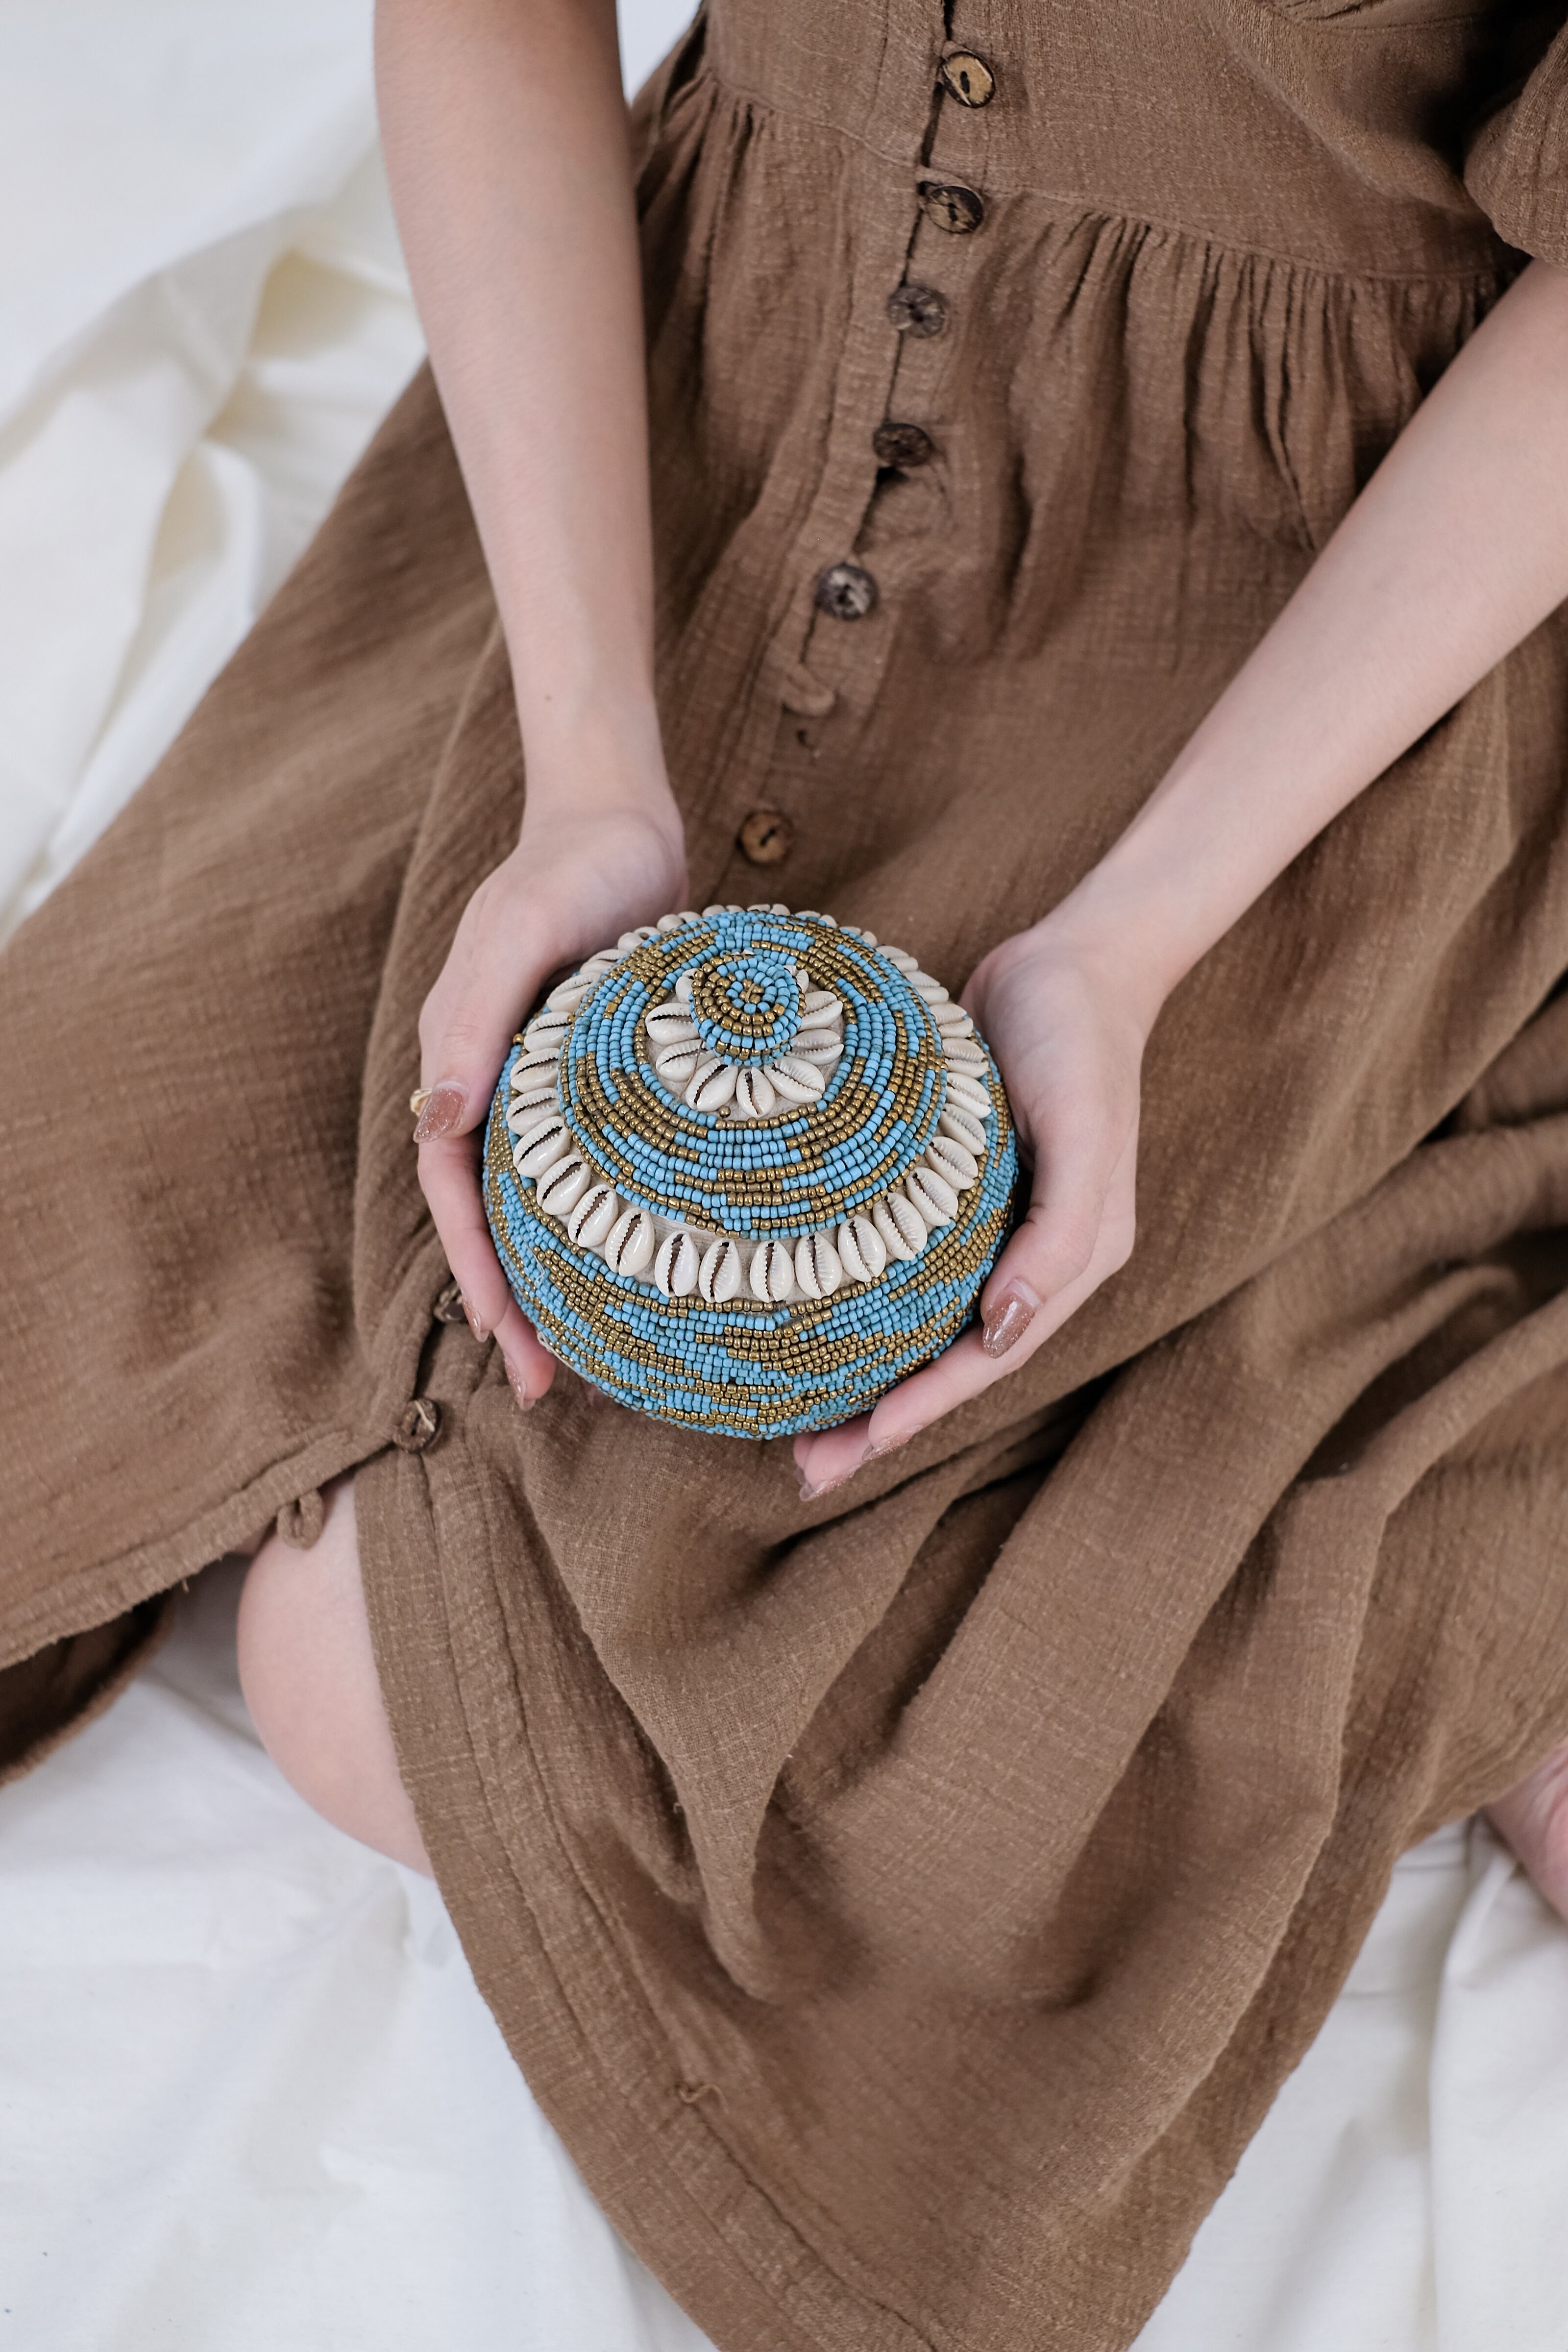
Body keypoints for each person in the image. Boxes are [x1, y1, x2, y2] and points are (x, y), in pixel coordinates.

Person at [4, 1, 1568, 2345]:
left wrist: (1127, 950)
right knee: (69, 1303)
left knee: (569, 1726)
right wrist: (584, 770)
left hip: (1305, 624)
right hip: (654, 452)